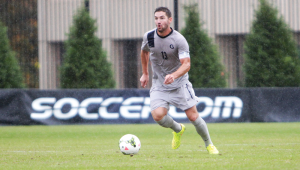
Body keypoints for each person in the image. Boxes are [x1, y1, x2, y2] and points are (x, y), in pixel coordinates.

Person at [139, 6, 219, 154]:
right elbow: (144, 52)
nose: (158, 21)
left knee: (193, 116)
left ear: (170, 20)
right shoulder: (149, 36)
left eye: (162, 18)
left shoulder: (178, 39)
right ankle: (178, 129)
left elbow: (186, 64)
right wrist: (145, 73)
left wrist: (174, 75)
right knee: (157, 115)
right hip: (159, 84)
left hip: (180, 84)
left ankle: (209, 144)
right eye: (156, 18)